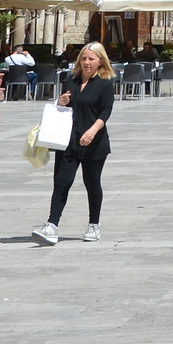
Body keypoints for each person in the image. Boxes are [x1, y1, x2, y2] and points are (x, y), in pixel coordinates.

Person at [33, 42, 115, 246]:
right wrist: (60, 102)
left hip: (93, 142)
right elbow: (66, 107)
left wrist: (92, 131)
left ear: (100, 61)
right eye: (84, 58)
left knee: (92, 183)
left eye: (91, 59)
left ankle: (94, 224)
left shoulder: (105, 83)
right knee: (61, 182)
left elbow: (105, 112)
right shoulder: (71, 80)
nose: (86, 62)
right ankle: (52, 225)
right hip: (68, 140)